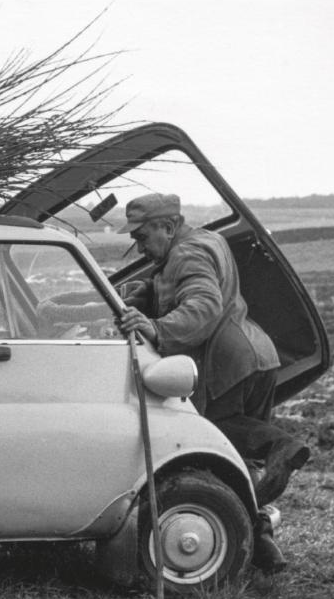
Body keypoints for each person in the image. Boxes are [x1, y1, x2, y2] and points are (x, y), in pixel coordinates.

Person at [115, 192, 310, 573]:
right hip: (257, 357)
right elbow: (178, 289)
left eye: (142, 236)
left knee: (212, 437)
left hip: (228, 364)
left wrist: (155, 328)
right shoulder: (205, 240)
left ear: (167, 226)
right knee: (234, 463)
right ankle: (262, 545)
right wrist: (145, 296)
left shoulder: (187, 254)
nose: (139, 247)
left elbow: (202, 305)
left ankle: (280, 445)